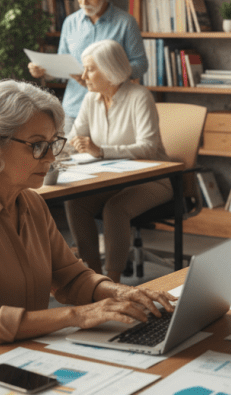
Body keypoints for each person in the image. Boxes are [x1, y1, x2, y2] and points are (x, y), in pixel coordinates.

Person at [0, 80, 174, 372]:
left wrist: (118, 292)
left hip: (16, 355)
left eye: (52, 144)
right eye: (37, 146)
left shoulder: (31, 204)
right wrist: (76, 316)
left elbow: (70, 279)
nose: (51, 157)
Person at [64, 40, 172, 282]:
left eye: (90, 69)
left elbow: (148, 147)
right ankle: (93, 278)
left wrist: (100, 151)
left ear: (110, 70)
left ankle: (112, 283)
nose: (83, 76)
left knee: (115, 208)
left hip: (153, 180)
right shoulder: (91, 99)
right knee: (75, 203)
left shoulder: (139, 97)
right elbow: (74, 137)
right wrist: (67, 146)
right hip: (111, 179)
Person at [28, 0, 147, 132]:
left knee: (109, 156)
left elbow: (141, 64)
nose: (83, 2)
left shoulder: (125, 23)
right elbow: (63, 62)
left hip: (112, 108)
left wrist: (107, 74)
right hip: (74, 109)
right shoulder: (70, 22)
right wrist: (45, 71)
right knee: (67, 155)